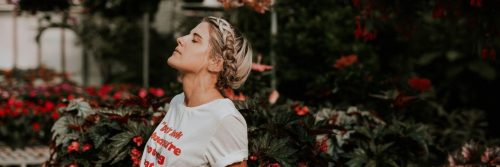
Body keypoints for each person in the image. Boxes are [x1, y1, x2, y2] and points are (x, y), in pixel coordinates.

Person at [140, 16, 252, 167]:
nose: (180, 39)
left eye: (195, 40)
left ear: (216, 63)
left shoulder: (224, 119)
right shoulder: (177, 102)